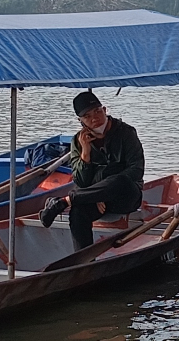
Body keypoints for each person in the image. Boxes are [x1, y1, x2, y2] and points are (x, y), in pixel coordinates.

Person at [40, 91, 145, 249]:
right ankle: (85, 261)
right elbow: (81, 181)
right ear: (80, 121)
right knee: (77, 213)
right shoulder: (78, 141)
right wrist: (86, 152)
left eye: (97, 111)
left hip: (125, 196)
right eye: (87, 116)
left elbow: (136, 171)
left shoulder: (126, 133)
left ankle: (64, 201)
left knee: (120, 179)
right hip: (92, 199)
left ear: (104, 109)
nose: (95, 118)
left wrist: (102, 192)